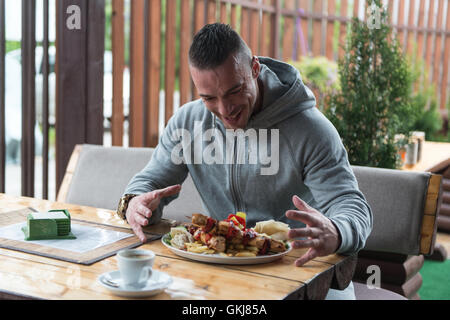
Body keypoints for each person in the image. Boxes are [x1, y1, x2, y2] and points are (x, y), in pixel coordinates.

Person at [116, 23, 372, 299]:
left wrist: (336, 231)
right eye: (209, 98)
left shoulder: (311, 130)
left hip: (303, 273)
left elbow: (352, 207)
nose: (225, 110)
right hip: (221, 276)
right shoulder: (187, 123)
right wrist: (135, 203)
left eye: (234, 91)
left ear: (254, 69)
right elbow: (150, 182)